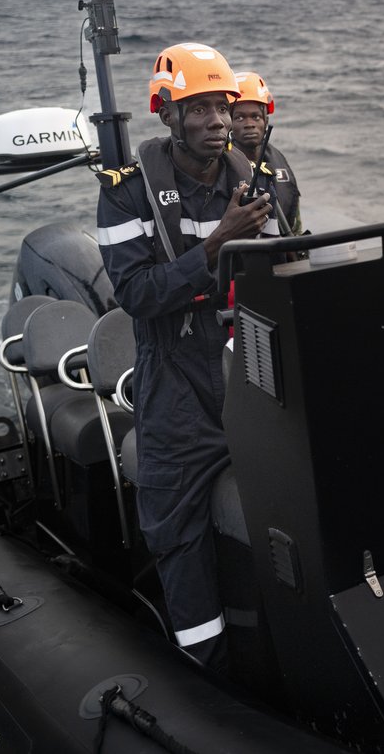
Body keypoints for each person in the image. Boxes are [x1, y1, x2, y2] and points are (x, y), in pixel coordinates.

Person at [94, 41, 271, 670]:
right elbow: (138, 296)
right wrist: (219, 242)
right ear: (166, 113)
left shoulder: (252, 183)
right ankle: (206, 673)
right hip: (172, 389)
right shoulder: (126, 195)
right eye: (198, 107)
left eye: (222, 106)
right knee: (177, 533)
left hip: (246, 375)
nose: (218, 120)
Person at [227, 71, 304, 239]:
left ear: (266, 121)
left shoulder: (277, 160)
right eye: (239, 118)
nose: (249, 124)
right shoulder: (221, 165)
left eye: (255, 117)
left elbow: (295, 222)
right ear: (228, 123)